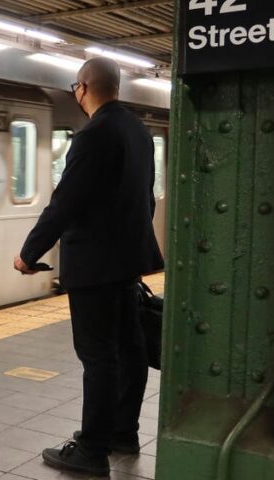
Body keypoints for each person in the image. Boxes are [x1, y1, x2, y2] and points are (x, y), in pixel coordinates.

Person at [14, 57, 164, 477]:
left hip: (95, 266)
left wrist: (29, 253)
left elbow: (65, 203)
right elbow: (146, 199)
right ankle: (123, 432)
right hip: (127, 262)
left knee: (98, 356)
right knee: (129, 350)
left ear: (82, 88)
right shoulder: (139, 132)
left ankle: (92, 449)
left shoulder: (93, 134)